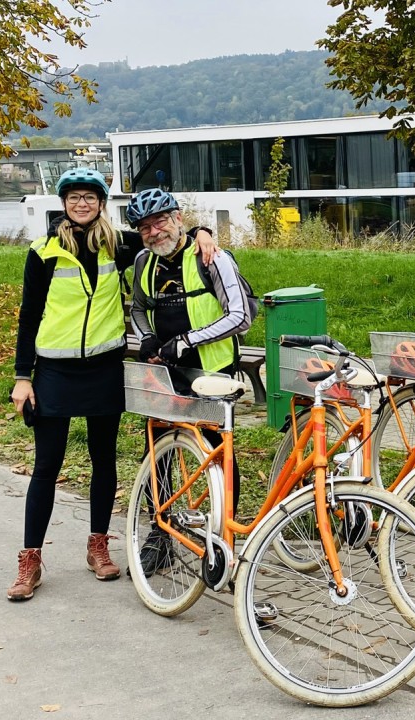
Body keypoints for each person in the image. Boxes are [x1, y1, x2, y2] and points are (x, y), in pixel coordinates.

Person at [8, 170, 217, 602]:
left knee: (103, 461)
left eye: (90, 197)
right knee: (47, 466)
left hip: (104, 369)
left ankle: (98, 545)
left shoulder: (117, 244)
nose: (81, 203)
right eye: (74, 197)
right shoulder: (43, 251)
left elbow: (161, 232)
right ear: (63, 203)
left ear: (101, 203)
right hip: (54, 372)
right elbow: (28, 318)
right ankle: (30, 559)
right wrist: (22, 377)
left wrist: (203, 232)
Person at [125, 188, 256, 576]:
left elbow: (241, 317)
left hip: (212, 374)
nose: (153, 231)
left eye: (160, 221)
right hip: (165, 370)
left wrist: (185, 342)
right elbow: (136, 308)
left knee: (219, 452)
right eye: (144, 226)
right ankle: (160, 535)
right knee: (157, 451)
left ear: (178, 218)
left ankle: (223, 538)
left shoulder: (210, 257)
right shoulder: (144, 261)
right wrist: (147, 337)